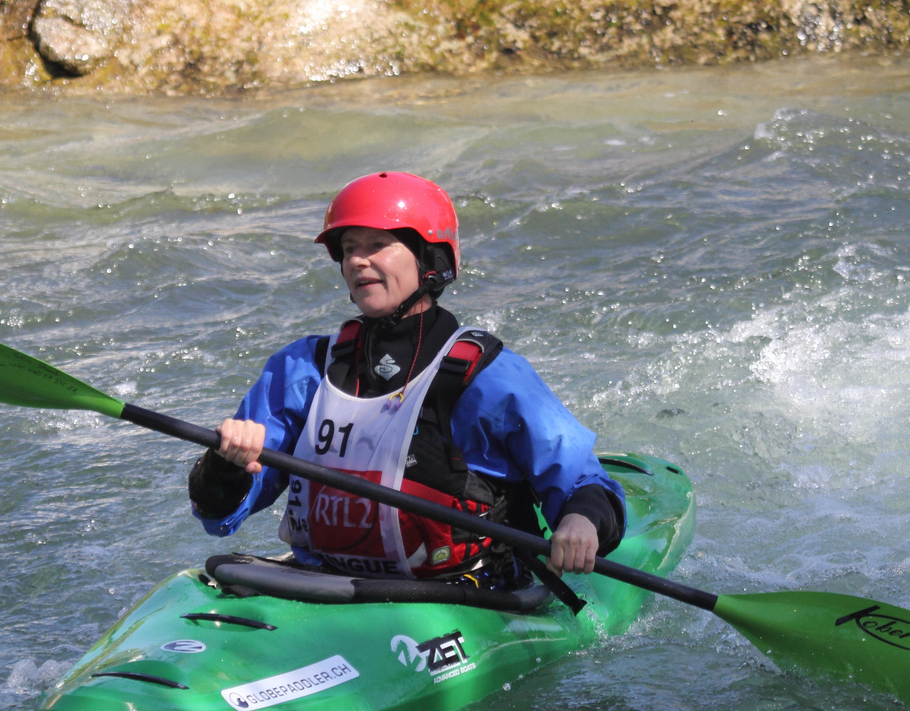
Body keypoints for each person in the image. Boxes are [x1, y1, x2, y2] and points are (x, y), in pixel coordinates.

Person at [188, 171, 624, 590]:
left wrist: (580, 521)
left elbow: (584, 482)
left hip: (464, 590)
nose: (358, 259)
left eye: (378, 244)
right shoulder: (304, 368)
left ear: (430, 260)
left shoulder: (485, 376)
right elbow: (218, 519)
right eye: (349, 247)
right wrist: (225, 465)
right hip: (326, 585)